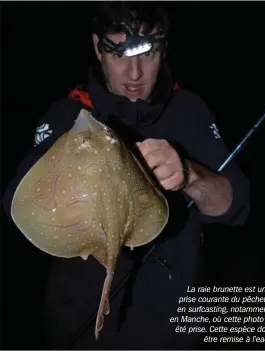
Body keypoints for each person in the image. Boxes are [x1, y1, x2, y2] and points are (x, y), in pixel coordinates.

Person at [2, 2, 250, 349]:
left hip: (172, 331)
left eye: (147, 53)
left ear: (165, 49)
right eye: (119, 54)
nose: (134, 74)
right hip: (82, 331)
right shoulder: (68, 114)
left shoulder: (189, 111)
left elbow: (237, 205)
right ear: (97, 48)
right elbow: (16, 205)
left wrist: (189, 174)